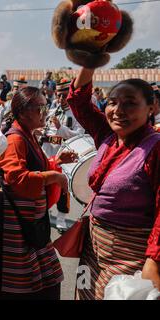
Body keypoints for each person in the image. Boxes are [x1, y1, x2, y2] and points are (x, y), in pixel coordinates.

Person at [0, 87, 77, 300]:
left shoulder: (27, 134)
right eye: (41, 108)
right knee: (11, 286)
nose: (45, 112)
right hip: (14, 224)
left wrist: (57, 162)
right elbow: (17, 178)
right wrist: (54, 177)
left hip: (27, 221)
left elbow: (34, 167)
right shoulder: (15, 139)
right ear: (24, 111)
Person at [69, 67, 160, 300]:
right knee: (84, 293)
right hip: (92, 246)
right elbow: (79, 100)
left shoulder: (156, 148)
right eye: (112, 102)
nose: (118, 110)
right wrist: (90, 59)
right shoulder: (107, 135)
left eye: (130, 103)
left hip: (131, 254)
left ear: (152, 108)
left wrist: (154, 262)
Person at [40, 79, 85, 232]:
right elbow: (44, 130)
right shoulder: (52, 111)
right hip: (47, 153)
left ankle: (61, 218)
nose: (61, 99)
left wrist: (61, 127)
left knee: (62, 188)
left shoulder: (76, 113)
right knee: (45, 185)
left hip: (63, 155)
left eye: (64, 95)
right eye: (59, 95)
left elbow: (79, 135)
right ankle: (44, 213)